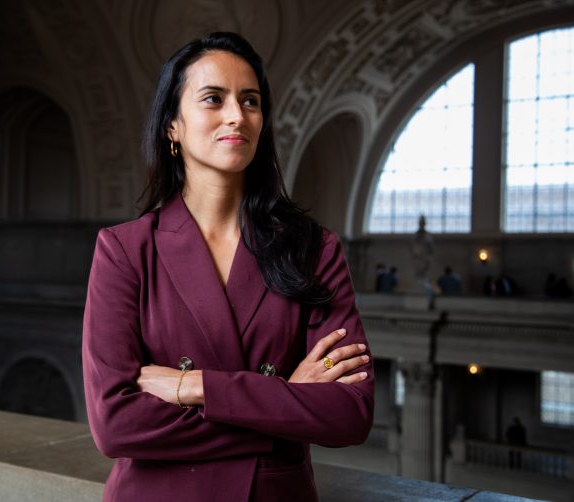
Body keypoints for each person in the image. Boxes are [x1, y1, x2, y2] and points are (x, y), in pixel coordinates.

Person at [82, 32, 374, 502]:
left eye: (251, 101)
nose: (237, 116)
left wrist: (190, 385)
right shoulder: (124, 250)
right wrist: (282, 402)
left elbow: (349, 413)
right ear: (172, 125)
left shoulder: (313, 248)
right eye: (213, 99)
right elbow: (115, 426)